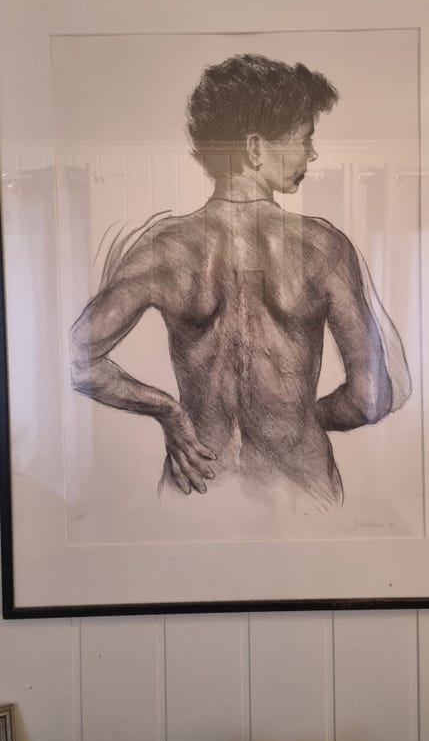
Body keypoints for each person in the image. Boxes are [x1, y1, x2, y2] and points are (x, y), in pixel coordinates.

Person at [70, 53, 410, 511]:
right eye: (304, 139)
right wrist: (299, 421)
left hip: (198, 491)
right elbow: (371, 398)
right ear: (255, 148)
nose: (312, 154)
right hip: (302, 498)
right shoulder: (322, 247)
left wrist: (169, 412)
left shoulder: (164, 248)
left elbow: (75, 359)